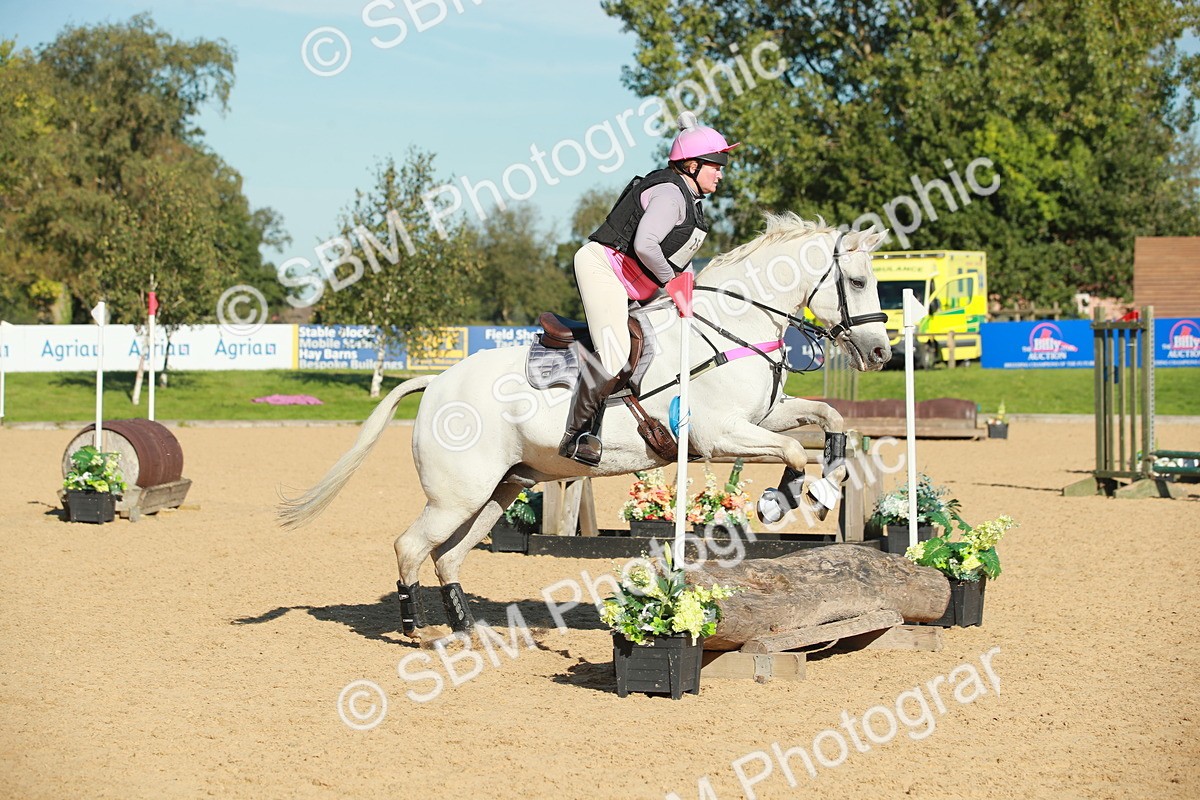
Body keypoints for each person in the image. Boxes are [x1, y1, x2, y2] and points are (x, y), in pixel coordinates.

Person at [559, 110, 740, 466]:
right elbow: (645, 244)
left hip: (638, 281)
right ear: (690, 165)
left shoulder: (691, 202)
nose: (721, 173)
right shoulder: (671, 195)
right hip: (604, 269)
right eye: (716, 165)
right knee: (614, 353)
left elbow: (675, 257)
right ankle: (576, 435)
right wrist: (673, 283)